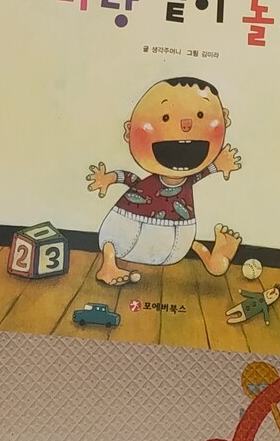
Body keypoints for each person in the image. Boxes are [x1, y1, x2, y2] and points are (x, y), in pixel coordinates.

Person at [86, 77, 242, 286]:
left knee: (188, 243)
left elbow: (200, 173)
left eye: (200, 115)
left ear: (225, 119)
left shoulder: (187, 181)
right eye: (166, 117)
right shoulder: (146, 185)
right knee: (112, 240)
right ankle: (108, 265)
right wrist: (108, 178)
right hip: (130, 231)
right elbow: (129, 178)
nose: (186, 126)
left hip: (175, 247)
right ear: (128, 131)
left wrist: (218, 165)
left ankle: (213, 261)